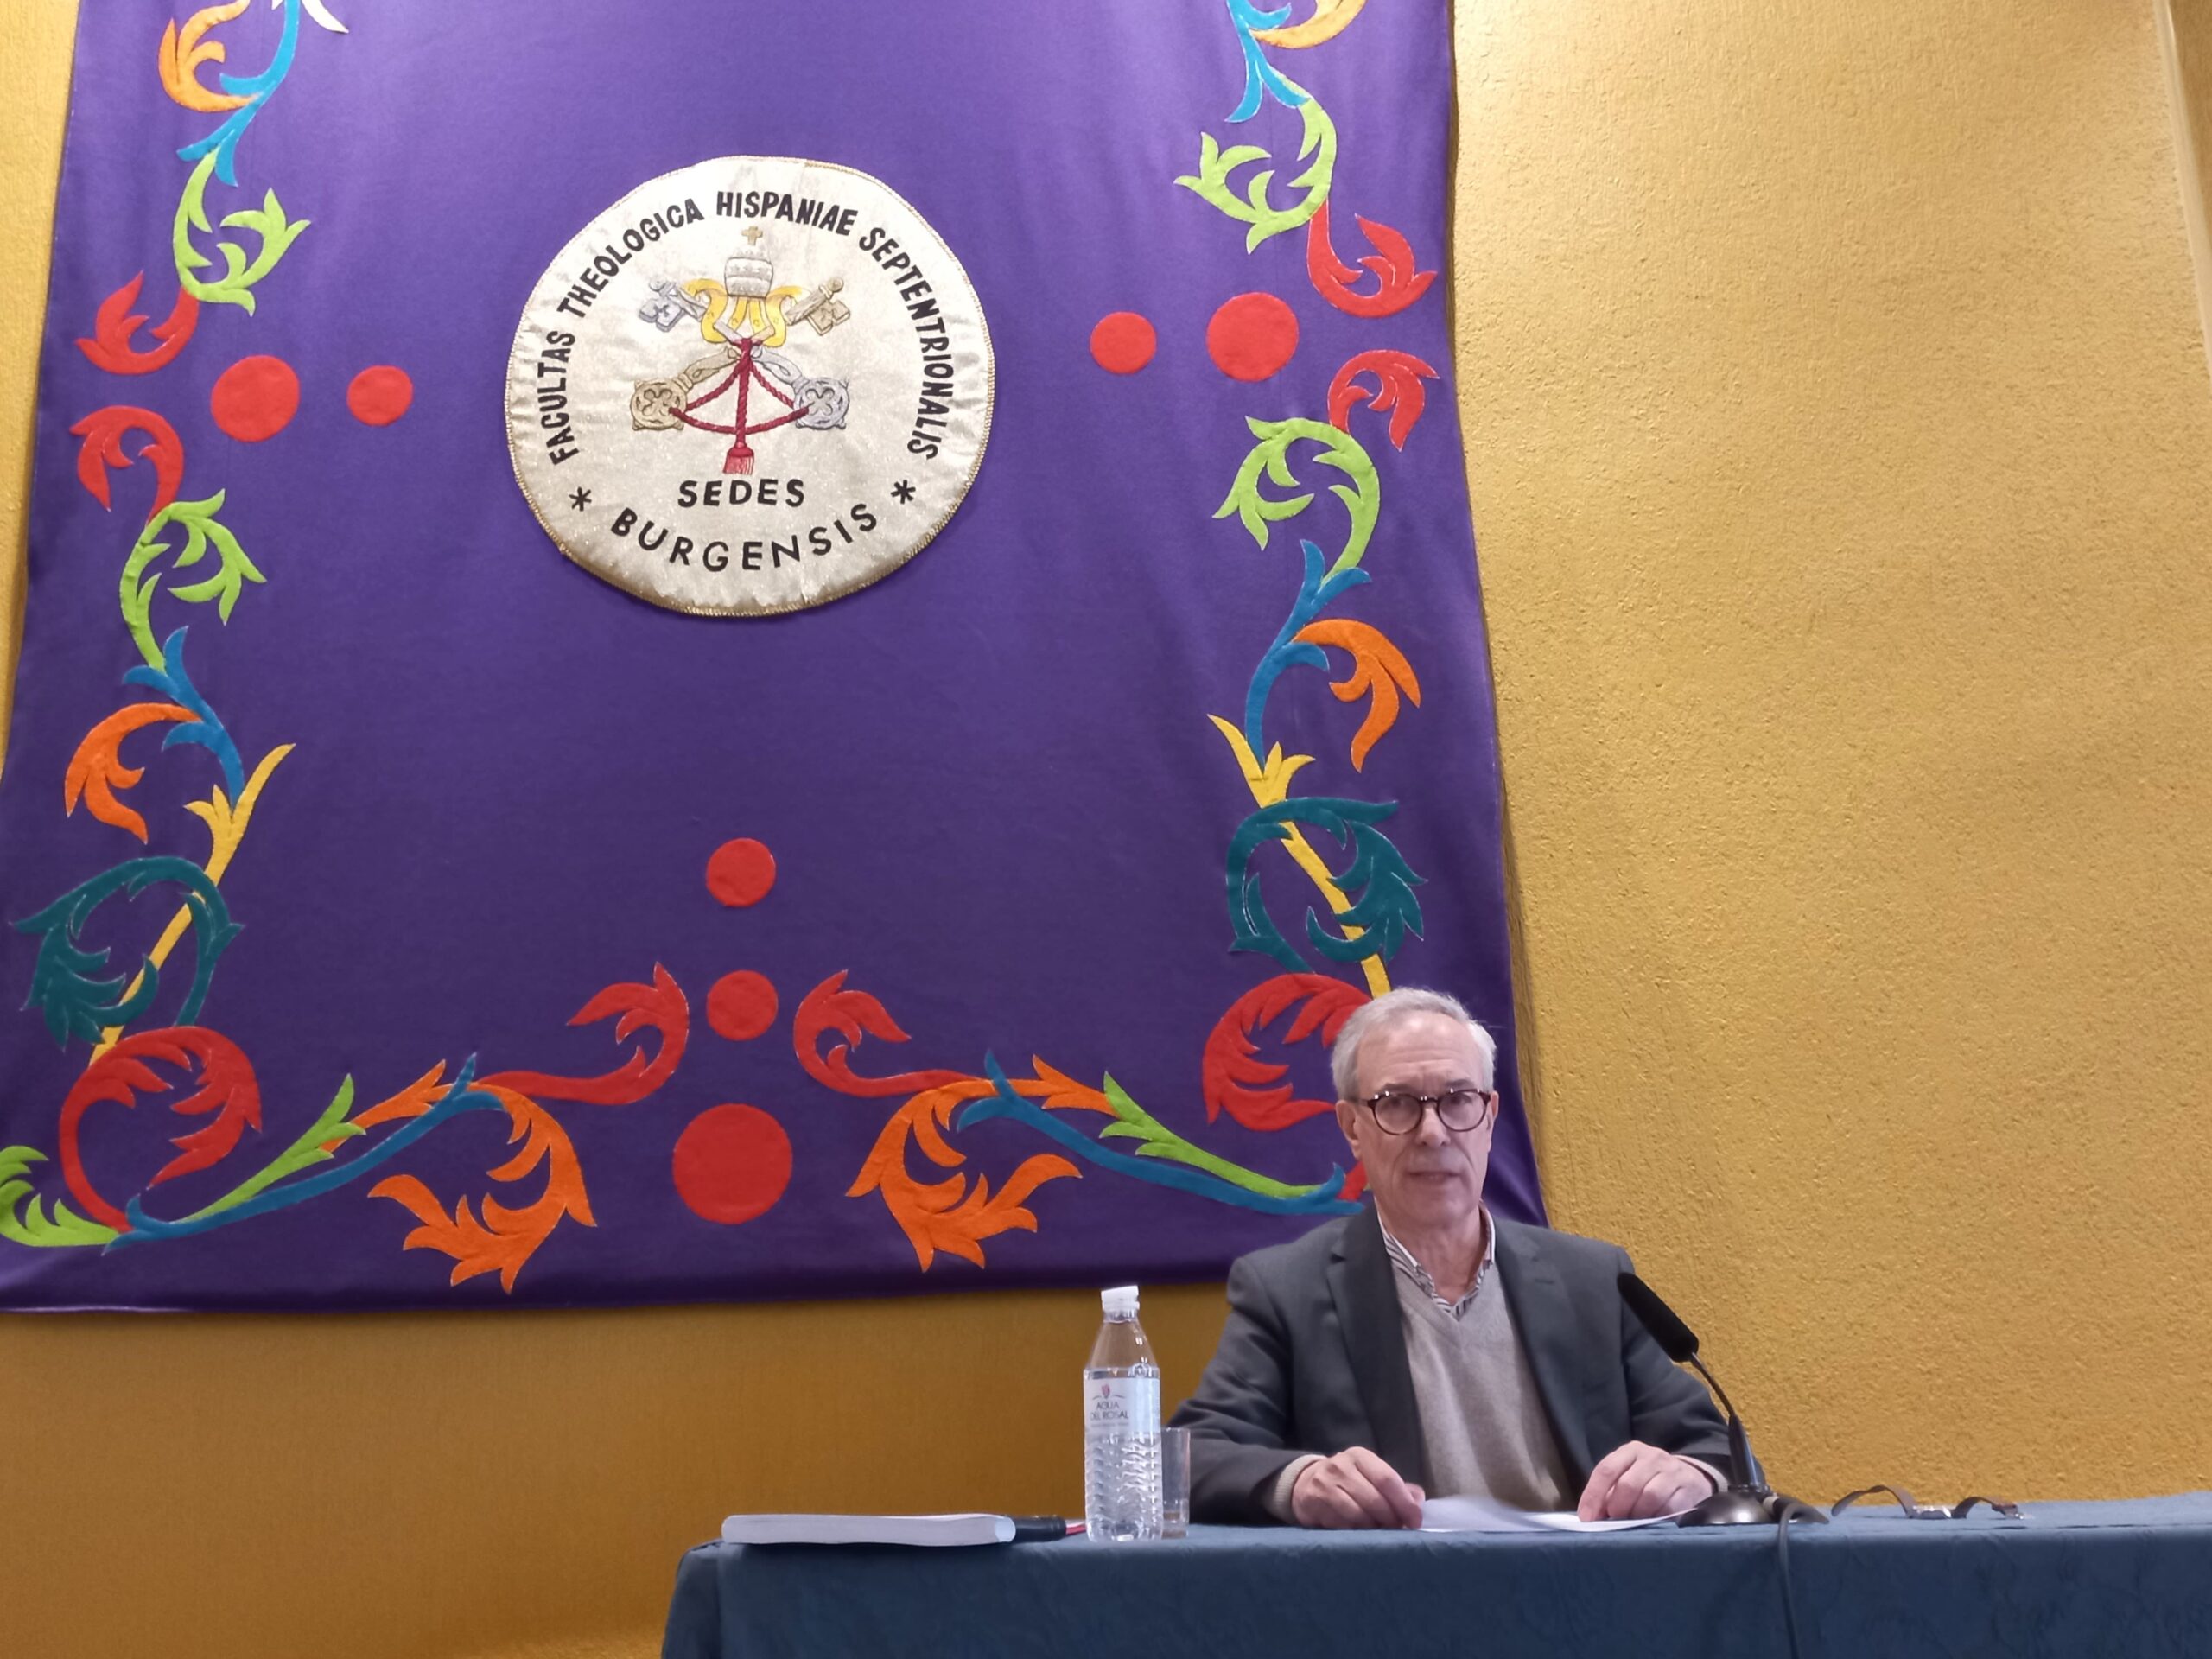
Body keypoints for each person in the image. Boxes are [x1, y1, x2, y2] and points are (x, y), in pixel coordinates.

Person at [1173, 987, 1731, 1528]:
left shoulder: (1593, 1281)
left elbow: (1718, 1449)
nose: (1433, 1133)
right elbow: (1192, 1456)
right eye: (1396, 1104)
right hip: (1395, 1586)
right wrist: (1298, 1483)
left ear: (1489, 1116)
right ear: (1352, 1128)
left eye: (1458, 1099)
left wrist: (1691, 1476)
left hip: (1581, 1581)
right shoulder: (1287, 1289)